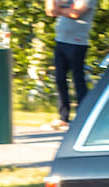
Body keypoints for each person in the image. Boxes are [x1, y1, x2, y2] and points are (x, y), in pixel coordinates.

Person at [45, 0, 95, 131]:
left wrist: (59, 9)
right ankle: (63, 118)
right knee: (60, 79)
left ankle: (82, 116)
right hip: (60, 40)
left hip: (77, 43)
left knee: (78, 79)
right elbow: (50, 11)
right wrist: (58, 7)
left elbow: (75, 13)